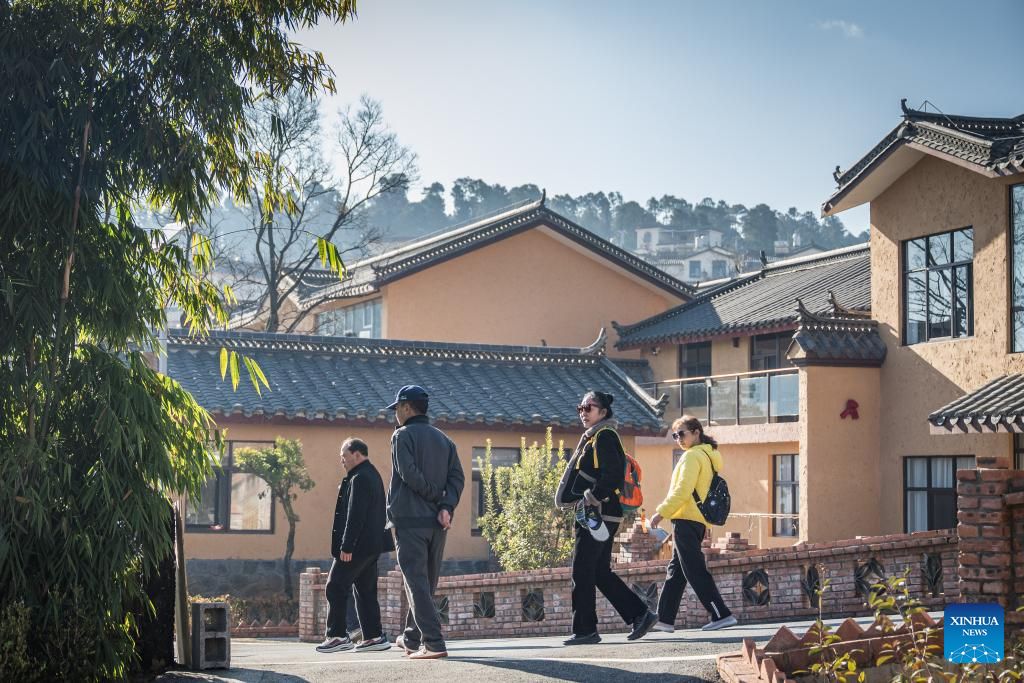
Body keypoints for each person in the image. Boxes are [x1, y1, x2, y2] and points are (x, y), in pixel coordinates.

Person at [555, 390, 658, 645]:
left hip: (597, 513)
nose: (583, 413)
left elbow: (612, 474)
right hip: (600, 513)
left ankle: (585, 630)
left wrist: (592, 498)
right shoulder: (597, 436)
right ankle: (640, 614)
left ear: (603, 412)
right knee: (599, 571)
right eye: (580, 408)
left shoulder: (604, 435)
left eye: (588, 408)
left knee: (582, 569)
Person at [386, 385, 465, 660]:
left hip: (410, 520)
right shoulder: (445, 440)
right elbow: (458, 478)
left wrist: (435, 496)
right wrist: (445, 505)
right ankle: (411, 637)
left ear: (407, 407)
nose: (395, 414)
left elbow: (407, 473)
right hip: (437, 522)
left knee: (416, 582)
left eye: (397, 408)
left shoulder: (401, 436)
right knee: (425, 583)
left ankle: (433, 642)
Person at [650, 415, 737, 632]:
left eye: (682, 434)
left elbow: (683, 490)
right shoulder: (707, 456)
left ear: (696, 433)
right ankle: (664, 619)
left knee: (694, 569)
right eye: (675, 435)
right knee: (677, 570)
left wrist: (661, 513)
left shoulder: (692, 457)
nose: (678, 439)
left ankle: (721, 614)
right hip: (696, 520)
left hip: (686, 519)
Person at [316, 438, 394, 654]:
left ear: (357, 454)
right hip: (372, 545)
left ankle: (337, 636)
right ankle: (374, 637)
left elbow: (355, 515)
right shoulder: (371, 474)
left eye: (344, 455)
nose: (341, 460)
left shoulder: (360, 478)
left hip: (358, 546)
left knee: (335, 586)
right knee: (365, 591)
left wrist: (347, 546)